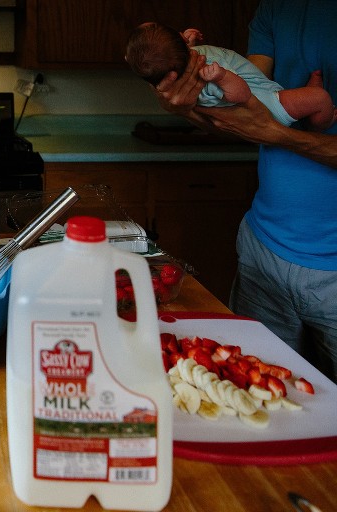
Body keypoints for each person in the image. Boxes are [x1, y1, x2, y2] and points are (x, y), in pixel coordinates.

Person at [149, 0, 337, 384]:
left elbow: (265, 124)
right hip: (263, 254)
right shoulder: (273, 10)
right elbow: (247, 102)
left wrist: (281, 135)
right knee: (257, 397)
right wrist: (187, 106)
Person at [126, 22, 337, 131]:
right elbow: (242, 94)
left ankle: (309, 106)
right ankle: (319, 123)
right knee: (320, 98)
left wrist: (188, 44)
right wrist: (221, 77)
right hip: (269, 107)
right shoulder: (205, 81)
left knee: (306, 96)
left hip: (267, 91)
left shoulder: (184, 60)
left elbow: (179, 58)